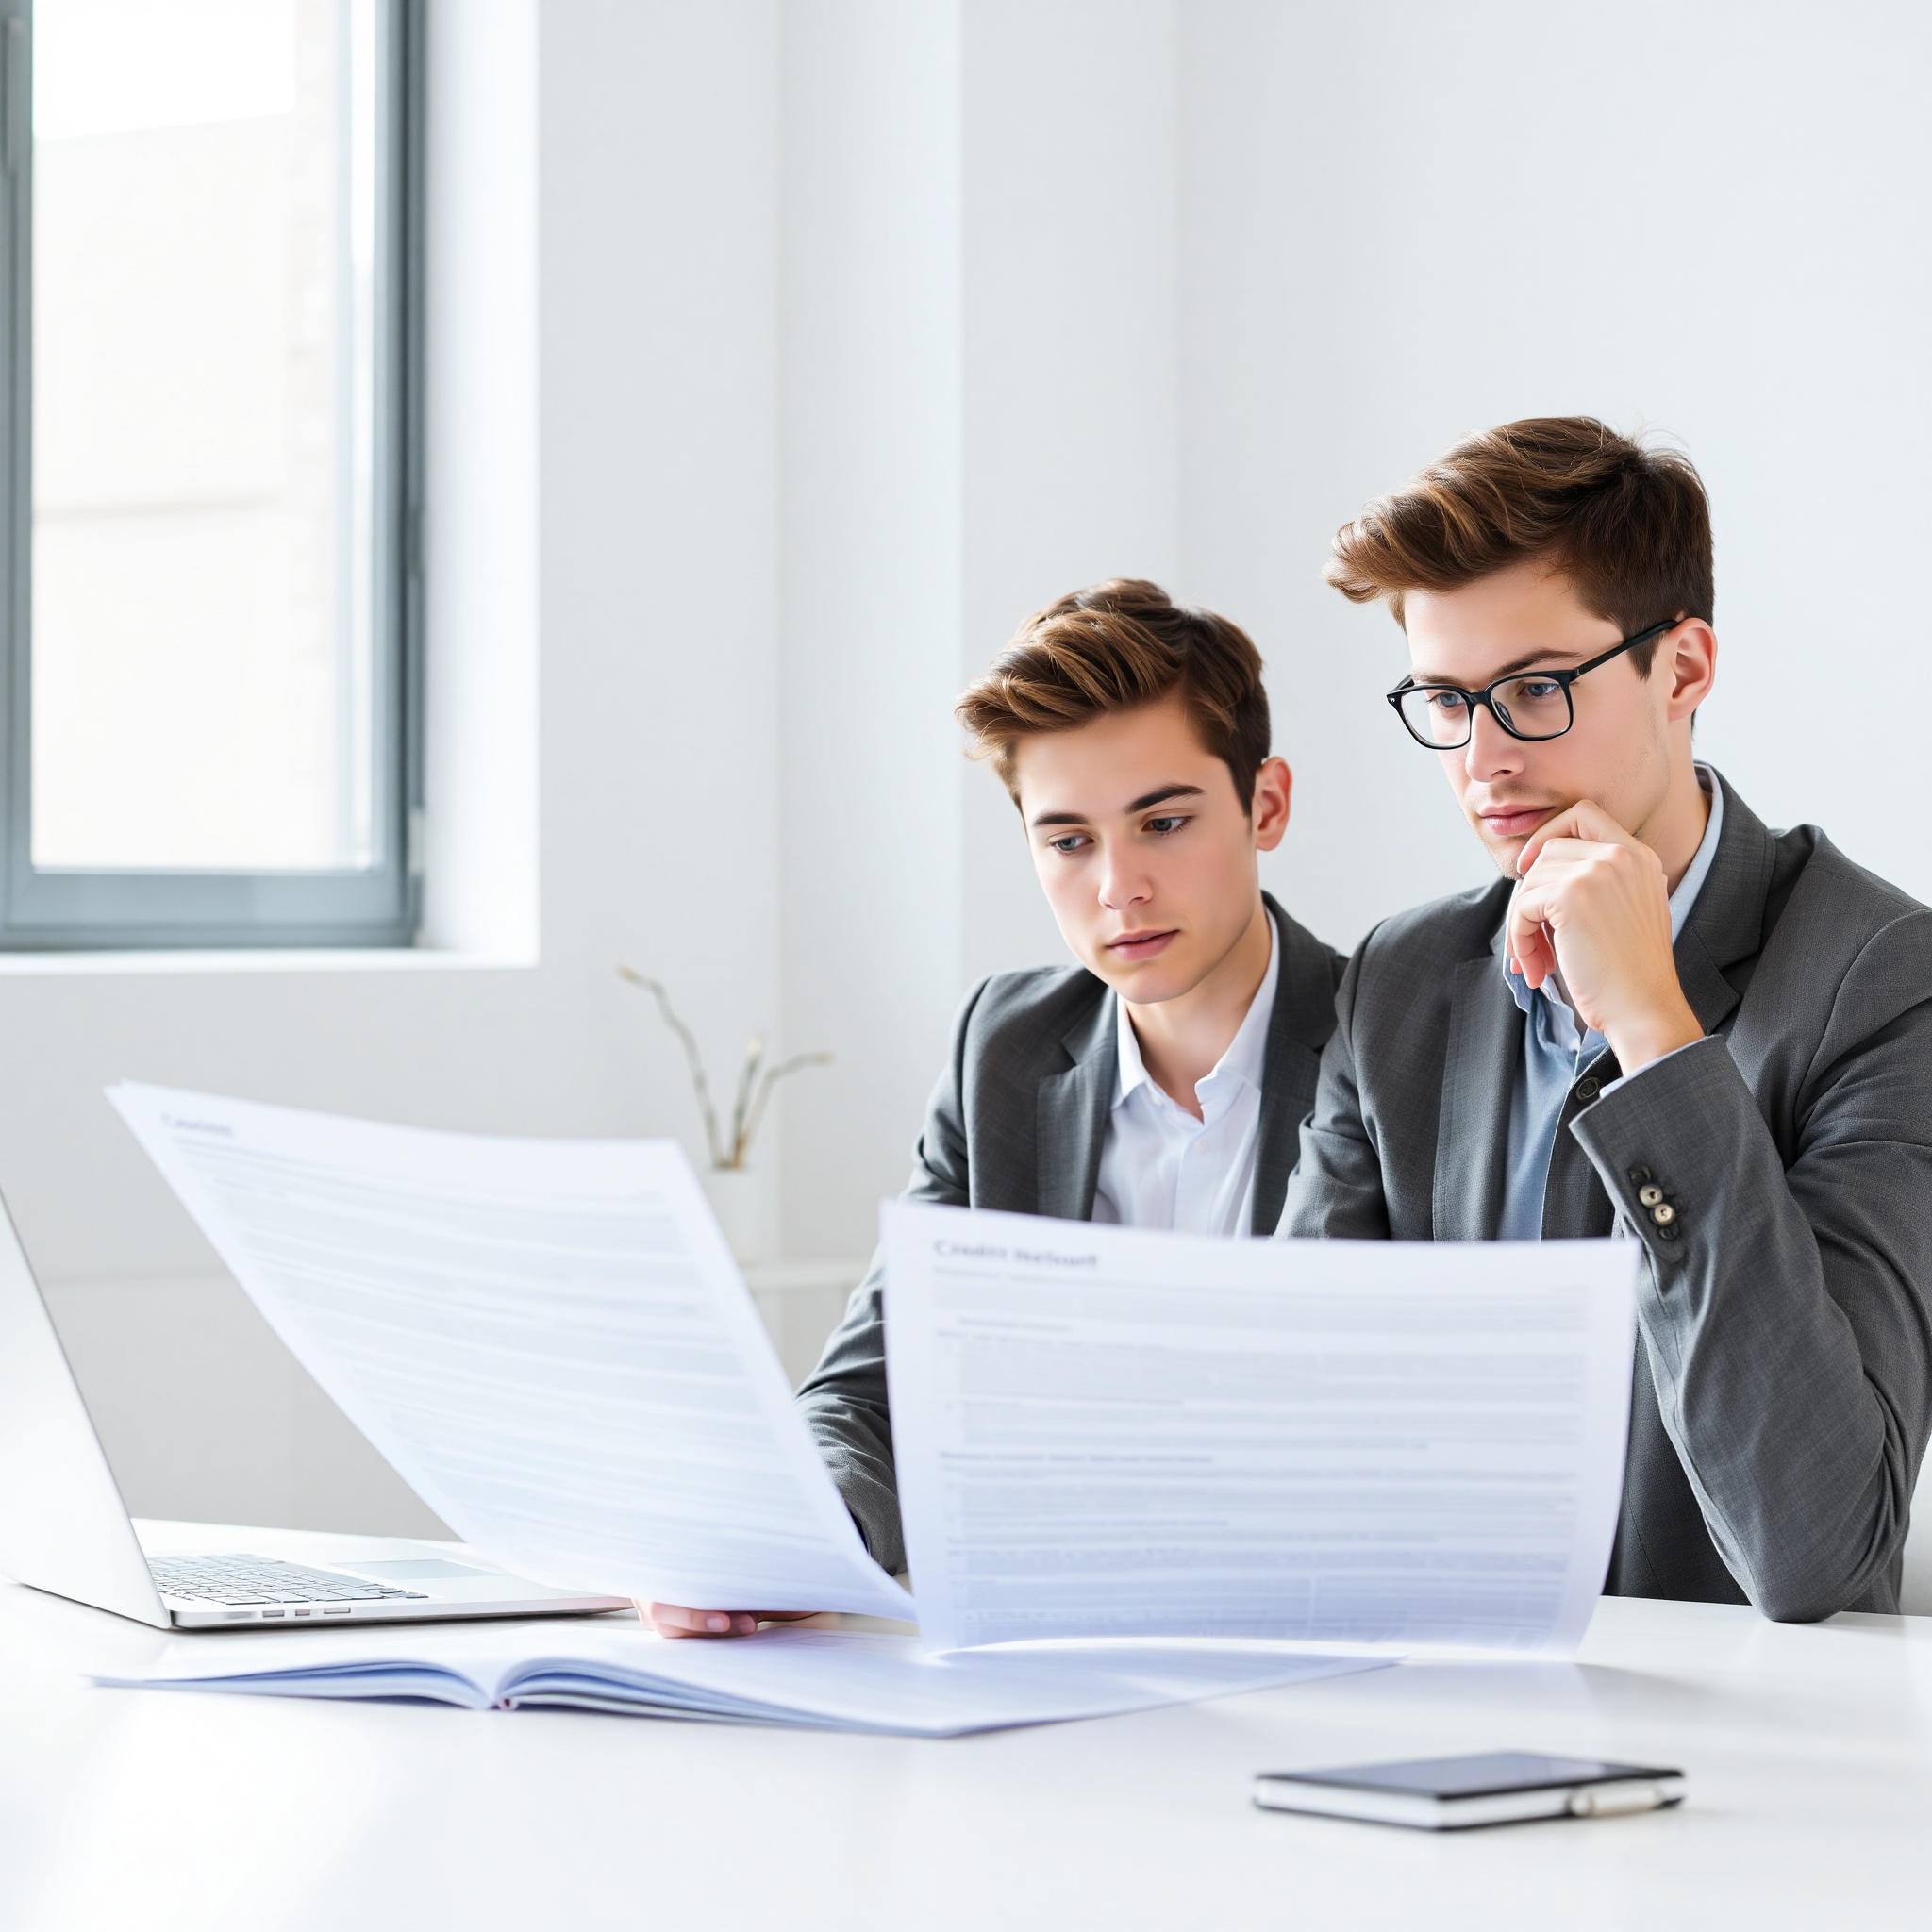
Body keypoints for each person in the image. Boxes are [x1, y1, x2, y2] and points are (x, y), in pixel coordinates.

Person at [1282, 416, 1932, 1621]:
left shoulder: (1877, 978)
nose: (1480, 758)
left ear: (1681, 667)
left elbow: (1817, 1547)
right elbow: (1297, 1437)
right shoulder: (1400, 980)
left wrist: (1655, 1033)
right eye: (1442, 699)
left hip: (1744, 1757)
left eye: (1531, 689)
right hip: (1427, 1700)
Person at [647, 577, 1345, 1636]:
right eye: (1067, 839)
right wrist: (793, 1528)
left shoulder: (1388, 1038)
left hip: (1318, 1638)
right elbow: (870, 1384)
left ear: (1266, 804)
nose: (1117, 886)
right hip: (1048, 1643)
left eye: (1162, 821)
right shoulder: (1005, 1049)